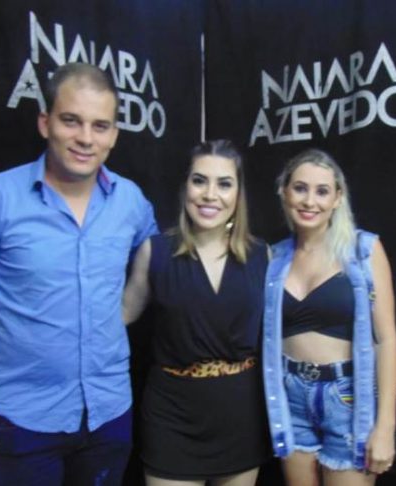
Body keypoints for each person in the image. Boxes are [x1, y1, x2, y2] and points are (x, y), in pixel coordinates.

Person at [0, 62, 157, 486]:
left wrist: (122, 314)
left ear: (114, 134)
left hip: (109, 412)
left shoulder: (130, 200)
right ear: (45, 123)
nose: (86, 138)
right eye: (71, 120)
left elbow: (155, 257)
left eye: (100, 125)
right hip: (22, 419)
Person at [122, 140, 270, 486]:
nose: (210, 194)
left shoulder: (263, 256)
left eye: (224, 184)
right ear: (185, 186)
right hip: (172, 419)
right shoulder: (154, 252)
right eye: (199, 180)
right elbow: (120, 317)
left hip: (241, 419)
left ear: (238, 194)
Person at [262, 149, 396, 486]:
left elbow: (386, 340)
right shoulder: (273, 257)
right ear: (284, 192)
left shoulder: (364, 250)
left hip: (348, 398)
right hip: (290, 395)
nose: (310, 201)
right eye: (300, 188)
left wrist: (385, 426)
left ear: (338, 198)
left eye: (322, 191)